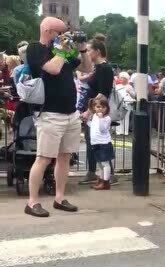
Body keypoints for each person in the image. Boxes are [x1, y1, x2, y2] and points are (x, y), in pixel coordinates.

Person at [24, 17, 93, 217]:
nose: (63, 36)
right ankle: (32, 201)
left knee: (65, 158)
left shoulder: (62, 49)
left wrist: (81, 49)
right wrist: (63, 48)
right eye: (60, 33)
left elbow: (87, 68)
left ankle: (59, 197)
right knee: (44, 158)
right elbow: (52, 69)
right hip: (50, 114)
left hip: (70, 113)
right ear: (48, 31)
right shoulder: (36, 49)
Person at [79, 34, 117, 186]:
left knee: (99, 142)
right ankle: (95, 171)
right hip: (94, 110)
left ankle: (108, 174)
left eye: (89, 50)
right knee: (92, 141)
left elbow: (103, 93)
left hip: (97, 112)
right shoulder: (99, 68)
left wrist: (90, 111)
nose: (87, 53)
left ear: (97, 51)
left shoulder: (105, 68)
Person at [86, 94, 115, 190]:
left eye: (103, 107)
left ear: (107, 108)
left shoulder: (106, 118)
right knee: (100, 163)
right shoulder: (94, 116)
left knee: (105, 163)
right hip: (96, 143)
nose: (100, 109)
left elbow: (102, 129)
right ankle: (101, 180)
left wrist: (101, 118)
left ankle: (106, 182)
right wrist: (86, 121)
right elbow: (93, 126)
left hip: (104, 143)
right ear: (94, 107)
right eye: (98, 107)